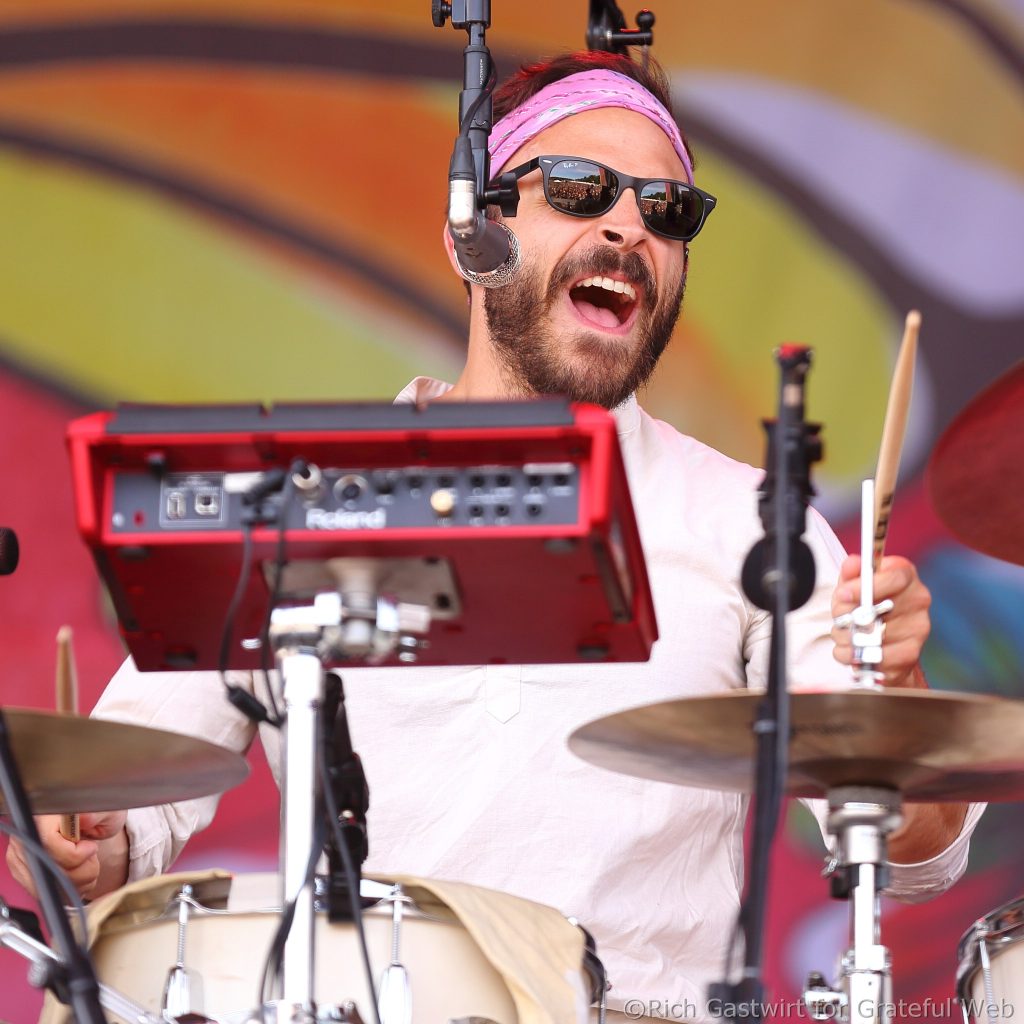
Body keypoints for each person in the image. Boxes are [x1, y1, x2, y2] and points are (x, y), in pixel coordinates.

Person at [9, 51, 981, 1022]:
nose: (628, 227)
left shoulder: (752, 525)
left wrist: (892, 687)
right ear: (471, 232)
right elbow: (120, 812)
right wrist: (82, 840)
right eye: (580, 188)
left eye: (666, 209)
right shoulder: (297, 502)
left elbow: (912, 856)